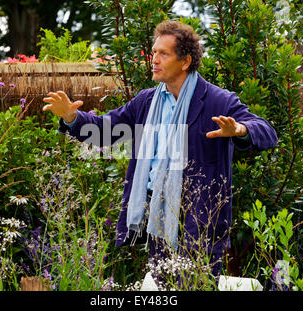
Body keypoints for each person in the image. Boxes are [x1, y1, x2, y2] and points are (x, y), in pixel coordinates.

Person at [42, 20, 277, 284]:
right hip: (158, 213)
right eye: (153, 53)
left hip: (201, 216)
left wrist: (240, 130)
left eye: (162, 54)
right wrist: (72, 118)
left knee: (197, 285)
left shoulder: (217, 101)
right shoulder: (147, 102)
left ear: (185, 61)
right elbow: (106, 131)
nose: (154, 60)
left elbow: (267, 132)